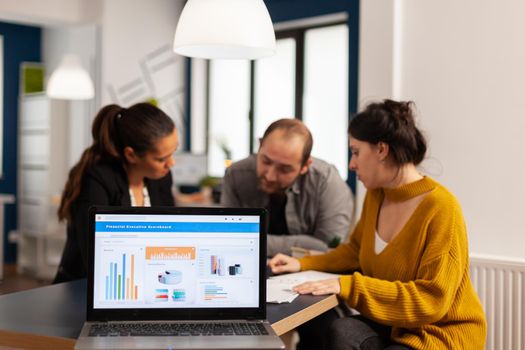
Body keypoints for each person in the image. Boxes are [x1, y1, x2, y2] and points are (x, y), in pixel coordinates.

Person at [269, 100, 487, 349]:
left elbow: (431, 301)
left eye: (356, 152)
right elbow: (354, 252)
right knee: (340, 329)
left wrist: (348, 285)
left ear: (381, 150)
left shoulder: (441, 207)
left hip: (440, 334)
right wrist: (301, 262)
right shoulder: (376, 195)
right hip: (397, 327)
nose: (352, 164)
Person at [54, 103, 178, 283]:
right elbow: (99, 258)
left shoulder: (161, 177)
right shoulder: (97, 180)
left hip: (143, 280)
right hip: (85, 285)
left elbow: (169, 235)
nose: (171, 163)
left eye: (173, 152)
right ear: (131, 155)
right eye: (162, 159)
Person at [221, 118, 354, 257]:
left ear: (305, 166)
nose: (270, 176)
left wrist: (251, 240)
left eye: (284, 169)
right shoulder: (236, 175)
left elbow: (328, 248)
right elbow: (229, 238)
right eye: (266, 161)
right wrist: (304, 244)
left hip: (309, 273)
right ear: (260, 146)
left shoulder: (326, 181)